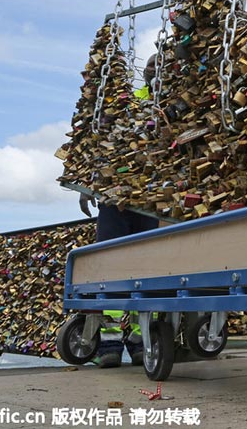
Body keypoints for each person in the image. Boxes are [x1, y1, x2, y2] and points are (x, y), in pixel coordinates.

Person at [77, 53, 160, 368]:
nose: (154, 69)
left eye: (160, 64)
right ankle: (110, 341)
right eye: (151, 65)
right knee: (109, 264)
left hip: (151, 200)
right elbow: (103, 140)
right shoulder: (131, 101)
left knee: (146, 268)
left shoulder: (176, 99)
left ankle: (139, 339)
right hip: (115, 198)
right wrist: (89, 185)